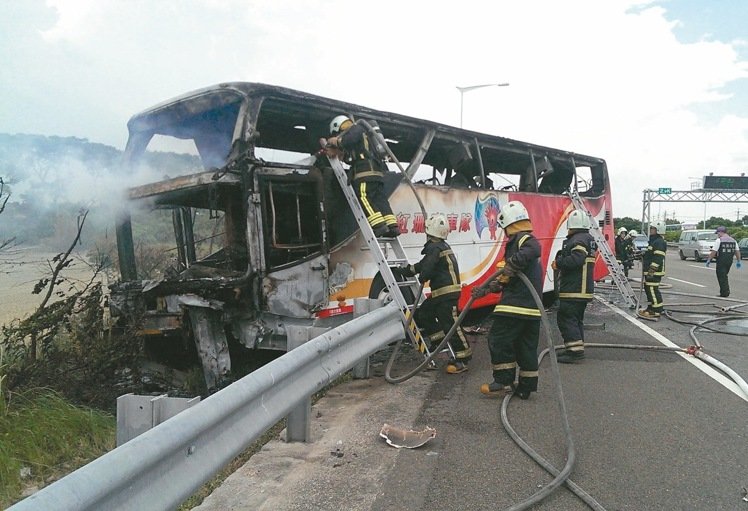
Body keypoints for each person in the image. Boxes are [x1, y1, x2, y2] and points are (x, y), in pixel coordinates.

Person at [471, 200, 542, 399]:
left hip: (515, 306)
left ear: (508, 224)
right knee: (525, 347)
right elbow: (506, 278)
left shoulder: (522, 240)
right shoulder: (519, 245)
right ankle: (526, 386)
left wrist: (513, 263)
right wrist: (485, 291)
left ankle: (503, 381)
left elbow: (534, 248)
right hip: (532, 310)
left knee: (498, 339)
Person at [400, 213, 472, 373]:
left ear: (429, 232)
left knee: (451, 325)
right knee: (424, 313)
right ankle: (439, 341)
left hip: (446, 295)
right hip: (441, 293)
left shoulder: (434, 248)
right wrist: (406, 271)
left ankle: (463, 358)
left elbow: (428, 266)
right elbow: (423, 264)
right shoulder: (440, 247)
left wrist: (423, 275)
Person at [326, 115, 400, 238]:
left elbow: (348, 140)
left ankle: (378, 226)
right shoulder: (366, 135)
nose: (339, 135)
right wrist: (340, 153)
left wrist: (336, 141)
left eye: (337, 132)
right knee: (380, 200)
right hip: (377, 173)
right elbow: (353, 155)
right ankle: (393, 226)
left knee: (364, 197)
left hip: (364, 173)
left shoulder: (356, 128)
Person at [552, 210, 597, 363]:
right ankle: (576, 348)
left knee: (566, 318)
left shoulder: (578, 240)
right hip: (582, 290)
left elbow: (577, 259)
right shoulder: (587, 238)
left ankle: (574, 353)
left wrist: (559, 263)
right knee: (576, 319)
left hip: (574, 289)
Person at [637, 221, 667, 321]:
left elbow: (658, 258)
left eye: (652, 228)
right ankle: (650, 308)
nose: (650, 230)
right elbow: (650, 254)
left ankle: (656, 310)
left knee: (653, 290)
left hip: (654, 272)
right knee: (648, 289)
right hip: (649, 271)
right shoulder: (653, 241)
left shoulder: (659, 242)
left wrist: (651, 271)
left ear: (658, 230)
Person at [706, 226, 742, 297]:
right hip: (729, 261)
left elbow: (714, 251)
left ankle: (724, 293)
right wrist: (738, 261)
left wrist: (709, 260)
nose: (717, 235)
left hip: (721, 260)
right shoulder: (733, 240)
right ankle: (725, 291)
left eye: (718, 233)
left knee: (721, 276)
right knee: (724, 275)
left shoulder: (719, 240)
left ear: (720, 232)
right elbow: (737, 251)